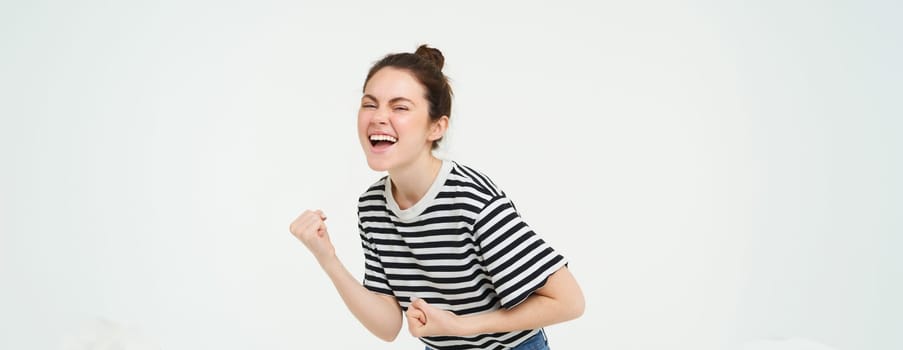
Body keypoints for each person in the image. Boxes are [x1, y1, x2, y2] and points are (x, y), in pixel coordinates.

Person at [289, 44, 584, 349]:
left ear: (436, 127)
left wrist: (461, 325)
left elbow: (569, 301)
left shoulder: (471, 200)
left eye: (400, 107)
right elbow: (388, 325)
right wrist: (328, 259)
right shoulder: (372, 207)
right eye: (369, 104)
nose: (378, 117)